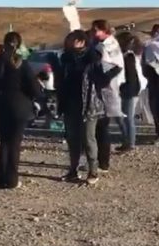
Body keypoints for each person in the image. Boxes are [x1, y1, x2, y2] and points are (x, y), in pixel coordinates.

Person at [0, 32, 42, 189]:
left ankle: (0, 178)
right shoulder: (23, 64)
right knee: (15, 143)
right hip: (20, 106)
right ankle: (12, 179)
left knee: (4, 142)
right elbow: (34, 89)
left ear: (4, 43)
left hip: (1, 105)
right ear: (19, 45)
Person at [56, 30, 106, 184]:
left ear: (82, 41)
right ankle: (73, 170)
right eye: (70, 40)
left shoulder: (93, 58)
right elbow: (61, 80)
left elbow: (102, 80)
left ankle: (93, 171)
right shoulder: (65, 58)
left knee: (89, 138)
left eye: (74, 40)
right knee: (72, 138)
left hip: (89, 104)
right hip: (70, 103)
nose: (71, 43)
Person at [90, 20, 124, 169]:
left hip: (105, 89)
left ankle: (102, 161)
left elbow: (111, 67)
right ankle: (101, 160)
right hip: (107, 88)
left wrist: (101, 80)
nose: (94, 32)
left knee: (101, 128)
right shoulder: (108, 44)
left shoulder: (105, 46)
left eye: (97, 30)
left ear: (104, 30)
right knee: (100, 128)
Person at [115, 33, 145, 152]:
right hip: (129, 90)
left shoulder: (129, 57)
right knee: (123, 117)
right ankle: (127, 141)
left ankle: (130, 143)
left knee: (127, 118)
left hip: (130, 90)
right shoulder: (128, 56)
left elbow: (131, 77)